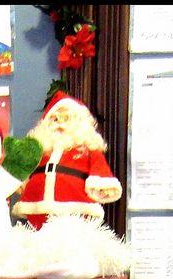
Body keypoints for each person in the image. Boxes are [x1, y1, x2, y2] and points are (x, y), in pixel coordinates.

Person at [12, 91, 122, 230]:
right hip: (37, 210)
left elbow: (101, 172)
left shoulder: (88, 150)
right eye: (55, 119)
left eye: (66, 119)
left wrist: (103, 187)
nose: (60, 124)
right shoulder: (40, 150)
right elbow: (21, 175)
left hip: (75, 210)